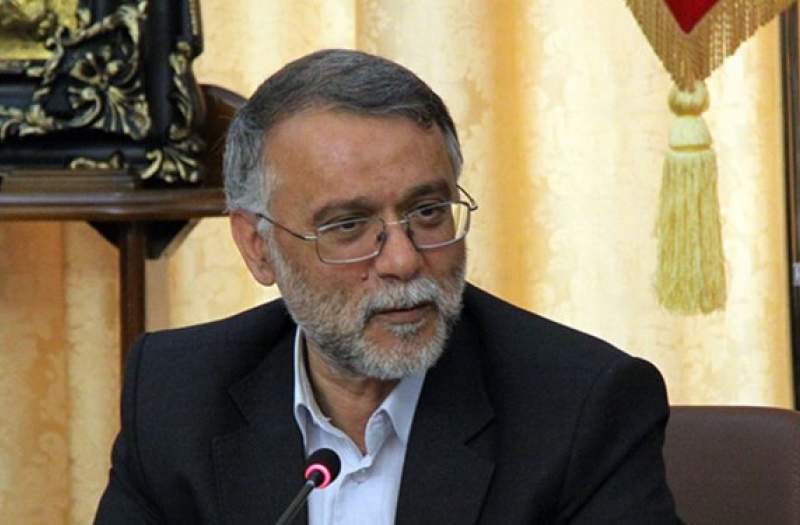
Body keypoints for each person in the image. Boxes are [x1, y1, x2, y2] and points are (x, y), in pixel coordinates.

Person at [95, 49, 679, 524]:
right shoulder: (176, 396)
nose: (403, 260)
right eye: (348, 226)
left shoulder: (580, 409)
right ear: (257, 246)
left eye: (428, 212)